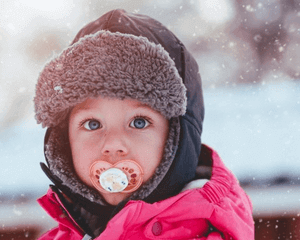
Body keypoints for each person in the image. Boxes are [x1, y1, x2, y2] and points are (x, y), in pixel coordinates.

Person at [33, 9, 254, 240]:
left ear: (176, 140)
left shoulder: (216, 232)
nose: (113, 144)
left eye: (138, 122)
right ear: (64, 142)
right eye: (92, 124)